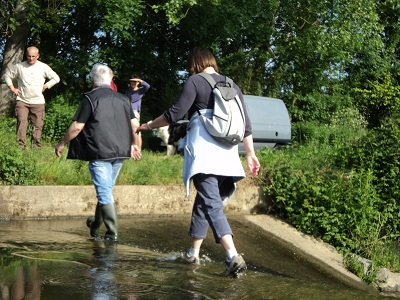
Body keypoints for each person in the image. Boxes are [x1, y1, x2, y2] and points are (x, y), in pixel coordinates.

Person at [136, 47, 260, 277]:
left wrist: (149, 125)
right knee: (205, 200)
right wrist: (251, 154)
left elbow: (175, 113)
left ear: (195, 63)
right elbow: (247, 125)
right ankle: (193, 253)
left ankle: (233, 255)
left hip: (205, 153)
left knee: (211, 202)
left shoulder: (195, 82)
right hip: (229, 154)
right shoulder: (232, 85)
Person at [55, 63, 141, 241]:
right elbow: (134, 125)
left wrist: (62, 142)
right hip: (120, 152)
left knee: (104, 192)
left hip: (99, 152)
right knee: (106, 191)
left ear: (93, 80)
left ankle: (112, 233)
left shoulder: (90, 98)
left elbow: (77, 126)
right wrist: (134, 144)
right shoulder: (123, 99)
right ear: (111, 80)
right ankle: (95, 225)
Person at [4, 46, 60, 149]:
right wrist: (12, 88)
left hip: (38, 101)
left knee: (38, 125)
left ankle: (36, 147)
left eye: (33, 56)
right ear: (26, 55)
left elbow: (56, 78)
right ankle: (20, 147)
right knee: (22, 123)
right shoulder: (19, 66)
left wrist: (46, 86)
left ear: (38, 56)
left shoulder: (43, 67)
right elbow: (7, 75)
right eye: (29, 56)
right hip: (22, 100)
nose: (31, 58)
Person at [125, 74, 150, 149]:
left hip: (135, 112)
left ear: (138, 82)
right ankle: (131, 148)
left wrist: (139, 80)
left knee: (137, 131)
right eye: (132, 81)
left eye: (135, 82)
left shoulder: (140, 90)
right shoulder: (128, 91)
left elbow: (147, 86)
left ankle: (138, 150)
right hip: (127, 111)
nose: (133, 83)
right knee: (128, 131)